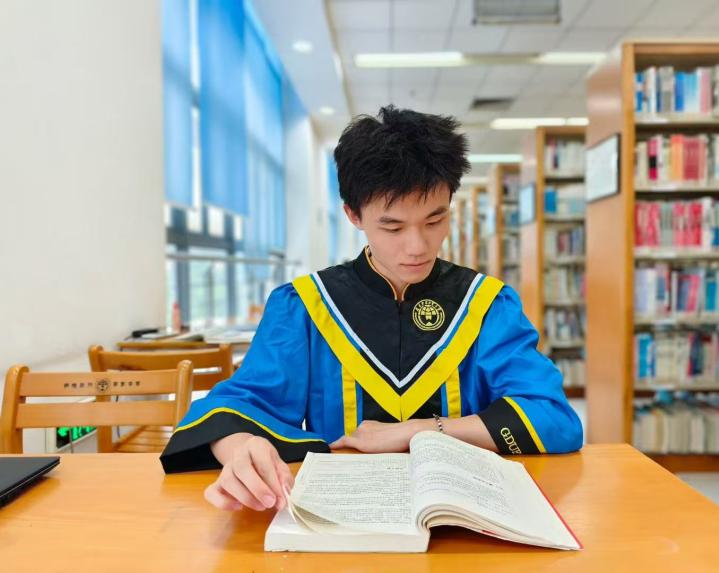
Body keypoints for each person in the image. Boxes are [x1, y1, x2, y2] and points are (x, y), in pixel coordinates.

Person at [160, 106, 583, 513]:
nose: (417, 247)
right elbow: (239, 403)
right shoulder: (305, 306)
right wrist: (240, 447)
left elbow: (554, 419)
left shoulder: (487, 304)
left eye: (435, 220)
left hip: (467, 515)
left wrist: (418, 432)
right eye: (392, 226)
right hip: (338, 515)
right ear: (353, 214)